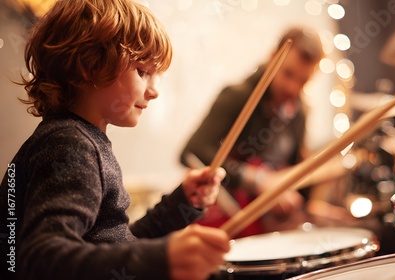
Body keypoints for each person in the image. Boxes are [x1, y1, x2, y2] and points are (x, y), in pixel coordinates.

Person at [0, 0, 230, 279]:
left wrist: (182, 204)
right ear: (90, 66)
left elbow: (113, 245)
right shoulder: (71, 146)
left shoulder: (75, 138)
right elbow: (42, 257)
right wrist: (159, 258)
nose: (155, 90)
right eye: (143, 72)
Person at [180, 27, 326, 237]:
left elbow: (293, 170)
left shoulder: (300, 111)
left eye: (303, 81)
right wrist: (257, 180)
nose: (293, 88)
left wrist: (304, 204)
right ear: (272, 57)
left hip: (269, 224)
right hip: (229, 221)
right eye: (288, 74)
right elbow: (191, 152)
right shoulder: (237, 96)